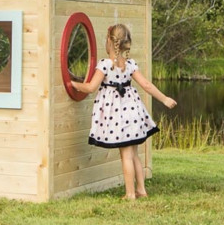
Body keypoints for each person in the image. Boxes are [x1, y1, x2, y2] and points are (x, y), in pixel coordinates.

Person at [71, 24, 177, 200]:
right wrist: (164, 99)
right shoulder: (130, 65)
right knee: (134, 153)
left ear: (110, 42)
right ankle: (141, 190)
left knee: (126, 156)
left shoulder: (104, 65)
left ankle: (129, 194)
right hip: (133, 113)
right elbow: (146, 85)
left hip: (117, 117)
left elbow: (90, 87)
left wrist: (72, 84)